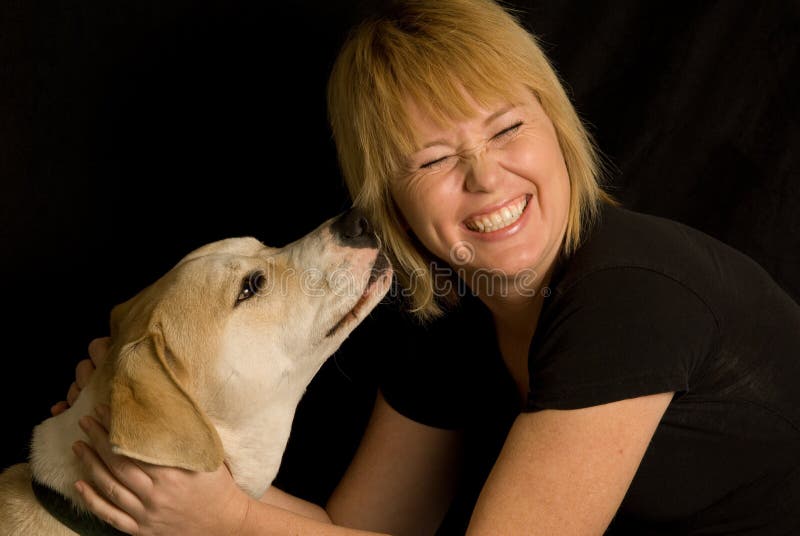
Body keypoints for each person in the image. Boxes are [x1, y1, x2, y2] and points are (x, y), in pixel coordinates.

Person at [55, 0, 800, 534]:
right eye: (434, 159)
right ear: (389, 197)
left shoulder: (633, 295)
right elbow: (359, 527)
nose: (485, 177)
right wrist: (142, 446)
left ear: (558, 124)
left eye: (507, 127)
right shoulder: (452, 305)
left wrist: (227, 522)